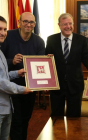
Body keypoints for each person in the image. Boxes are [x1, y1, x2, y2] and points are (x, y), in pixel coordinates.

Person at [1, 12, 45, 140]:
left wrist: (48, 65)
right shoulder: (7, 36)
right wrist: (12, 61)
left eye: (31, 22)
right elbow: (1, 59)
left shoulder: (39, 41)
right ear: (19, 22)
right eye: (25, 21)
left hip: (31, 87)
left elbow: (42, 65)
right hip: (10, 87)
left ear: (34, 24)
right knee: (15, 121)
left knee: (26, 119)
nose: (28, 24)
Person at [45, 13, 88, 117]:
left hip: (75, 85)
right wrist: (47, 81)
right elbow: (47, 61)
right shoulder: (51, 40)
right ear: (59, 25)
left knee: (74, 117)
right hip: (56, 85)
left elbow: (86, 56)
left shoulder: (81, 40)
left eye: (70, 23)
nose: (68, 26)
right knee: (56, 117)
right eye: (65, 24)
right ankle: (57, 134)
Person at [0, 16, 32, 140]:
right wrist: (22, 89)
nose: (2, 33)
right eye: (0, 29)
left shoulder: (1, 53)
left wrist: (16, 73)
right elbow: (1, 83)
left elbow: (4, 76)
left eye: (4, 29)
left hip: (6, 107)